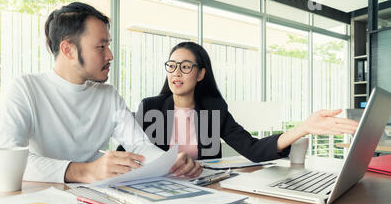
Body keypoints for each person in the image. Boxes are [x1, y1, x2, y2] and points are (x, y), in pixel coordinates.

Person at [0, 3, 202, 184]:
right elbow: (3, 160)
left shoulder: (108, 95)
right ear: (68, 50)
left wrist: (171, 162)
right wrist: (86, 170)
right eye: (101, 47)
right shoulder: (26, 88)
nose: (110, 55)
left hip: (96, 197)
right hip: (42, 200)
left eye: (108, 45)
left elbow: (139, 145)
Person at [124, 41, 359, 162]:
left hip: (205, 194)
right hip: (157, 193)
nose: (176, 73)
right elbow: (127, 154)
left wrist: (303, 128)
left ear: (200, 74)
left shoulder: (214, 109)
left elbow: (253, 149)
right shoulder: (150, 107)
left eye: (185, 67)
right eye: (172, 66)